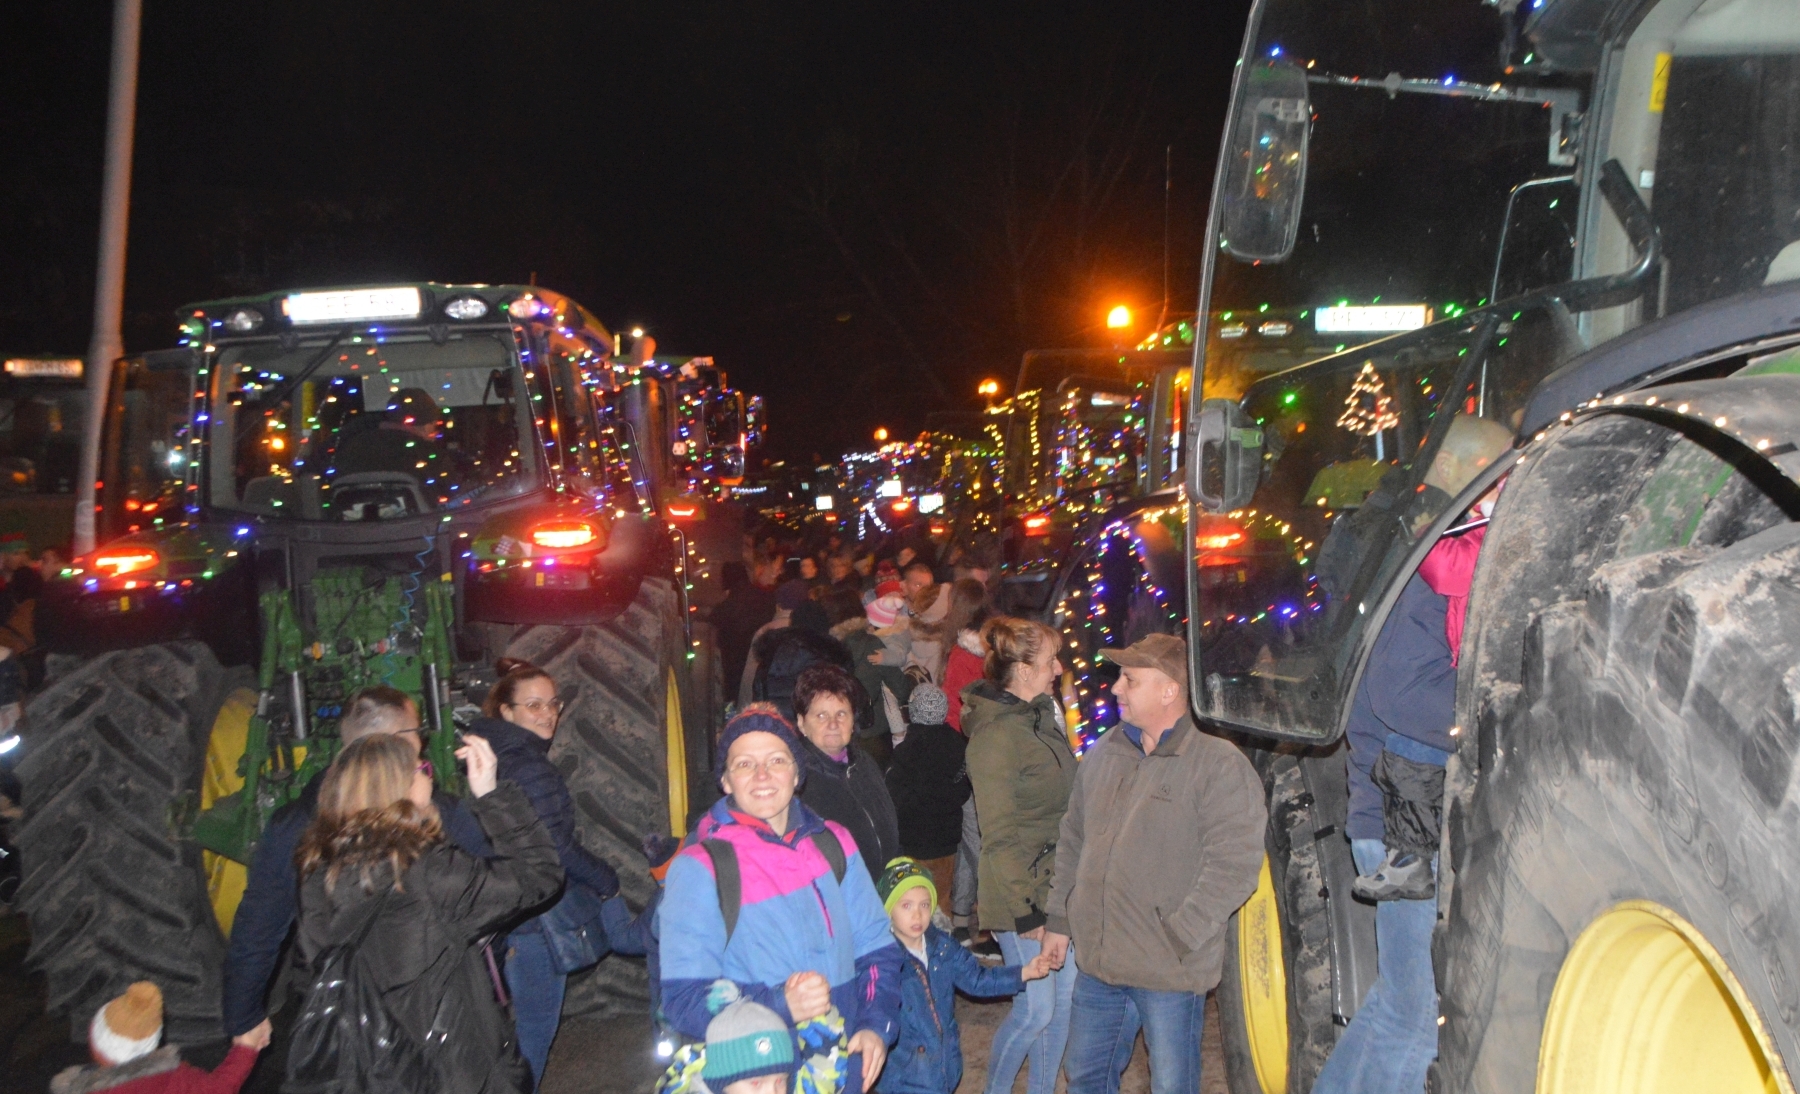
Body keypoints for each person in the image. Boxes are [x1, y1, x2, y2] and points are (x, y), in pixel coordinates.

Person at [1044, 635, 1266, 1094]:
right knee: (1084, 1078)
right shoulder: (1105, 753)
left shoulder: (1217, 763)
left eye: (1130, 679)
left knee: (1171, 1086)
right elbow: (1073, 840)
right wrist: (1061, 920)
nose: (1115, 688)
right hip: (1100, 966)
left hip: (1168, 971)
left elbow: (1235, 864)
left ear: (1169, 690)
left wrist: (1180, 935)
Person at [221, 687, 492, 1052]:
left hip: (344, 1013)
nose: (423, 743)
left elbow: (259, 926)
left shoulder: (294, 824)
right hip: (436, 1011)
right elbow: (495, 888)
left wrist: (243, 1016)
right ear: (399, 740)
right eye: (417, 732)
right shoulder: (440, 812)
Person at [292, 732, 563, 1094]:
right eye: (421, 768)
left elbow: (314, 967)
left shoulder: (318, 871)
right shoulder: (424, 873)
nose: (429, 775)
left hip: (371, 1072)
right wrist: (491, 793)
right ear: (398, 789)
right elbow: (539, 876)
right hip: (454, 1073)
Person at [659, 706, 902, 1094]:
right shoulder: (701, 868)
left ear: (797, 773)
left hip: (843, 1069)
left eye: (776, 760)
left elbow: (876, 947)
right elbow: (684, 1000)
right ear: (725, 780)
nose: (762, 775)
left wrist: (876, 1024)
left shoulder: (833, 843)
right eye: (744, 764)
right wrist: (778, 1005)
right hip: (762, 1078)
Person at [470, 658, 624, 1088]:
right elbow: (552, 847)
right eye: (533, 705)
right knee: (533, 1035)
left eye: (553, 704)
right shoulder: (528, 766)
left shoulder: (495, 757)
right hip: (533, 921)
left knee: (512, 1034)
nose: (548, 714)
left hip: (508, 913)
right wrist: (607, 880)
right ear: (506, 711)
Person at [961, 617, 1078, 1094]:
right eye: (1051, 660)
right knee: (1036, 1009)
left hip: (1057, 883)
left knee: (1063, 1003)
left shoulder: (1041, 718)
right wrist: (1027, 911)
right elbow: (999, 836)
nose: (1058, 668)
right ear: (1025, 670)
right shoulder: (995, 736)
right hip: (1021, 891)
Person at [875, 859, 1049, 1094]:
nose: (917, 914)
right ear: (888, 910)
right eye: (906, 905)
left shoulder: (943, 947)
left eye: (924, 904)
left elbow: (977, 979)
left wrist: (1023, 972)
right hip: (904, 1078)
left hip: (945, 1066)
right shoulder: (882, 963)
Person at [51, 982, 270, 1094]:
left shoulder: (83, 1089)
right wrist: (245, 1048)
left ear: (94, 1045)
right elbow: (219, 1088)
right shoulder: (176, 1079)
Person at [792, 665, 901, 879]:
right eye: (821, 715)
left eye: (841, 713)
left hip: (883, 889)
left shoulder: (864, 763)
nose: (833, 724)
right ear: (802, 723)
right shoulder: (797, 781)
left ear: (852, 722)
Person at [882, 684, 967, 914]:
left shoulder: (906, 751)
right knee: (941, 898)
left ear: (913, 711)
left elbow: (894, 794)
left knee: (915, 901)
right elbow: (963, 788)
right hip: (947, 839)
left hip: (913, 840)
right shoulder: (957, 745)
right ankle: (944, 932)